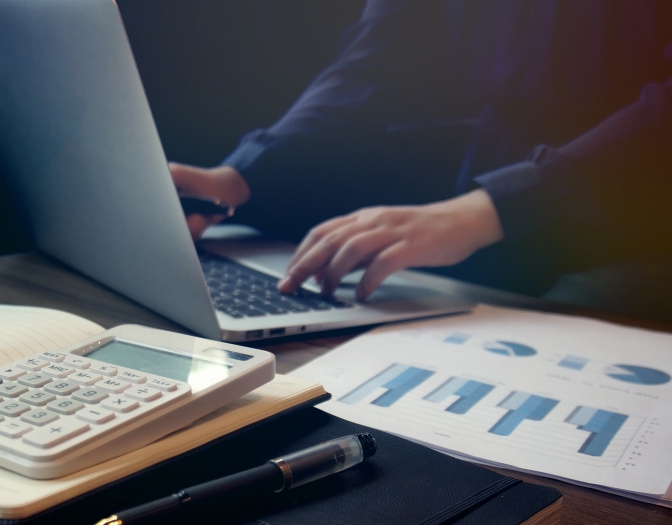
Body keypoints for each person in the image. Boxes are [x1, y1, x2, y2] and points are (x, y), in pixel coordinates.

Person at [170, 0, 672, 315]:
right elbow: (380, 60)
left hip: (635, 230)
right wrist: (242, 174)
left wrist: (490, 209)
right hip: (487, 203)